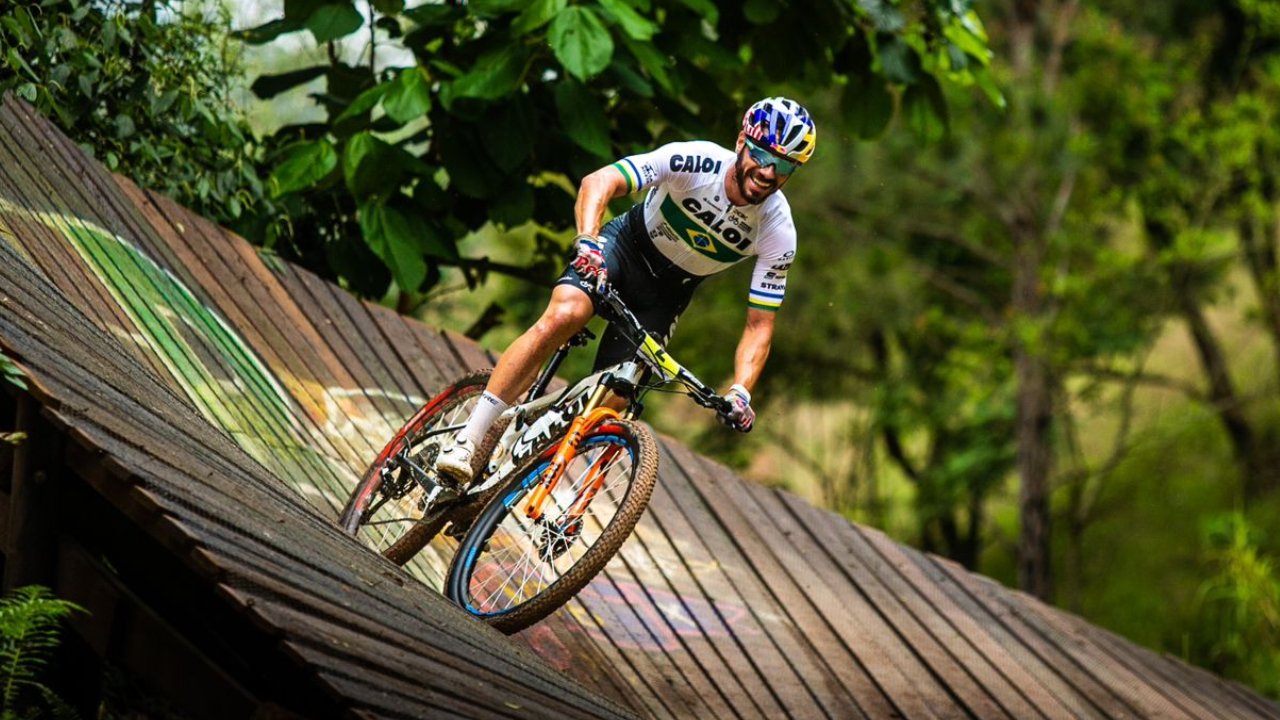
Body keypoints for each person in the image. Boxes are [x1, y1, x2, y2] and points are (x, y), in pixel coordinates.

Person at [435, 96, 816, 484]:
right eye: (762, 155)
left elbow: (759, 326)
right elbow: (599, 181)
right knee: (566, 314)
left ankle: (536, 494)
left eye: (784, 165)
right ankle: (468, 439)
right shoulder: (697, 161)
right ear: (740, 143)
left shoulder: (779, 231)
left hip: (666, 294)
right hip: (624, 250)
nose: (769, 171)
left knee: (618, 396)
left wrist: (740, 391)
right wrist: (587, 241)